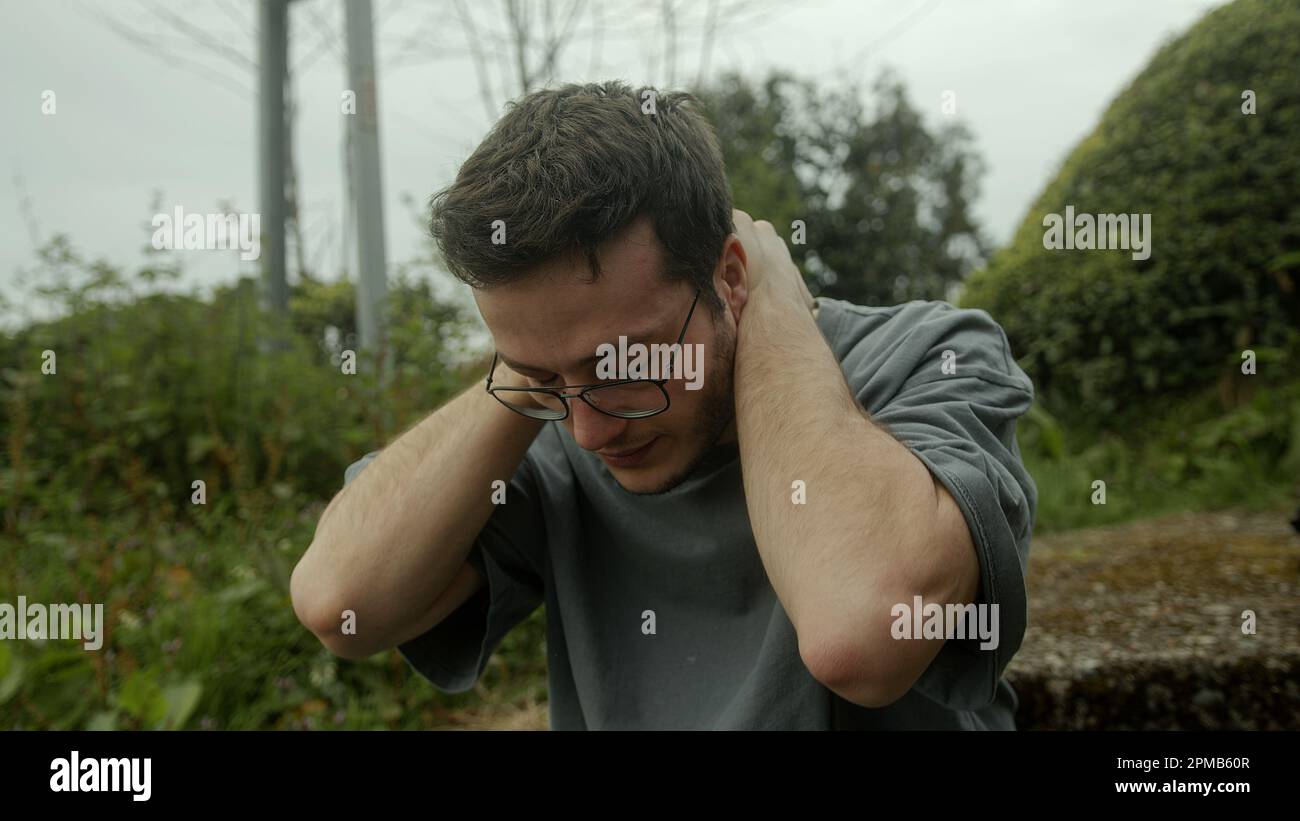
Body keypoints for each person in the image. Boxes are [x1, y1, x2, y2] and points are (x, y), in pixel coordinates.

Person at [290, 81, 1037, 730]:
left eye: (622, 364)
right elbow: (342, 602)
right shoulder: (552, 433)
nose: (588, 430)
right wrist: (530, 374)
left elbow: (861, 633)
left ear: (729, 273)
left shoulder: (925, 356)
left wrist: (771, 298)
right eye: (541, 376)